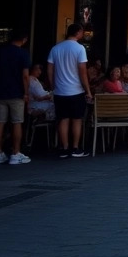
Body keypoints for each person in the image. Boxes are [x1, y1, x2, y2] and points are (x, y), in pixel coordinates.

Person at [47, 23, 92, 159]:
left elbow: (50, 69)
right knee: (77, 119)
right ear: (78, 32)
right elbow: (82, 71)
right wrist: (87, 90)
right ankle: (75, 147)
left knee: (63, 119)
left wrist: (52, 85)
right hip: (76, 90)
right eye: (82, 32)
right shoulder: (80, 49)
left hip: (60, 91)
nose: (83, 34)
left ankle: (64, 148)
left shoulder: (55, 48)